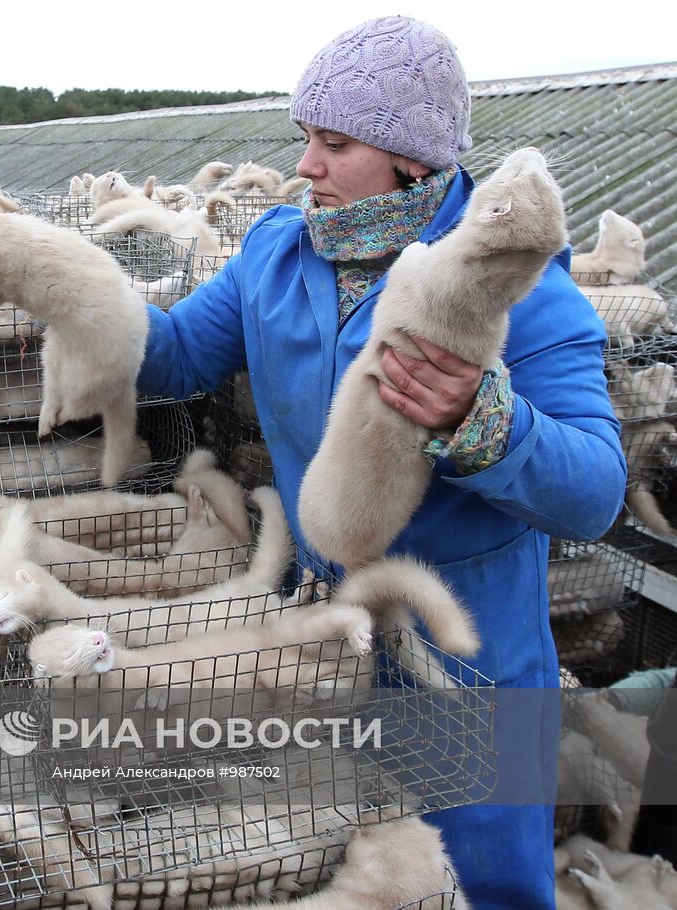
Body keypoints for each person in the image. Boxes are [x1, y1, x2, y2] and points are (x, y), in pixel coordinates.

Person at [137, 15, 626, 910]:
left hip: (467, 664)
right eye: (305, 141)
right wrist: (51, 291)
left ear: (410, 158)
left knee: (485, 888)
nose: (307, 168)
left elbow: (595, 492)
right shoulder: (275, 255)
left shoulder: (522, 294)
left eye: (334, 144)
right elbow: (171, 356)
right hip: (331, 648)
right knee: (352, 879)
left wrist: (485, 423)